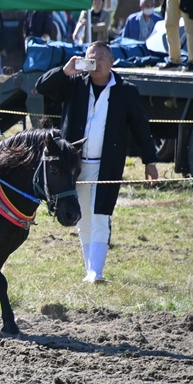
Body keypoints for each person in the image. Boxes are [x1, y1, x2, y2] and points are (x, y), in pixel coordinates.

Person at [35, 41, 158, 284]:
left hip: (107, 165)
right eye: (92, 57)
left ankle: (96, 272)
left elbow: (141, 128)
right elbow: (41, 86)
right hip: (75, 165)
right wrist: (65, 70)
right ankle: (89, 269)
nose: (97, 62)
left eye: (102, 57)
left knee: (101, 215)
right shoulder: (73, 85)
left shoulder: (126, 91)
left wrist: (150, 161)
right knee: (82, 216)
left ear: (112, 62)